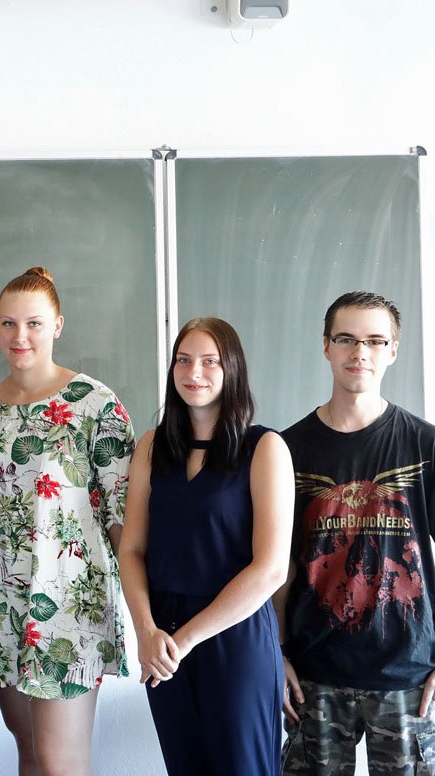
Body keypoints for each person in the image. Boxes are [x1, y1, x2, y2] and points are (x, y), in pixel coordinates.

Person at [0, 266, 133, 775]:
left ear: (58, 325)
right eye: (8, 323)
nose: (20, 337)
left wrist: (143, 611)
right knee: (29, 749)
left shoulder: (96, 406)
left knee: (61, 763)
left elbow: (123, 515)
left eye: (34, 323)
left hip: (70, 604)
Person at [118, 317, 293, 775]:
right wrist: (146, 632)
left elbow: (270, 569)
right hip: (162, 643)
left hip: (233, 639)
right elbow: (132, 549)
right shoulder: (153, 446)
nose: (194, 372)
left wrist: (183, 640)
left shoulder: (264, 447)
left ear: (231, 369)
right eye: (184, 360)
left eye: (210, 361)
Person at [277, 292, 435, 775]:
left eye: (375, 340)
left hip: (406, 673)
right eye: (347, 339)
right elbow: (278, 565)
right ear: (326, 346)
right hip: (313, 674)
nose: (360, 352)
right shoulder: (287, 450)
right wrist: (277, 652)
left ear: (393, 350)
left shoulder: (426, 445)